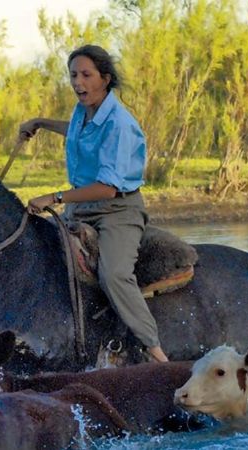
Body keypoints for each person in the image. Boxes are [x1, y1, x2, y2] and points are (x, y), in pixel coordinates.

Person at [18, 44, 169, 363]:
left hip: (117, 210)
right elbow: (76, 131)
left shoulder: (118, 123)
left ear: (105, 78)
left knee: (114, 274)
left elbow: (108, 188)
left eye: (86, 75)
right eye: (73, 75)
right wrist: (41, 122)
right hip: (81, 208)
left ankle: (153, 350)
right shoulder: (83, 112)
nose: (78, 82)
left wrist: (55, 197)